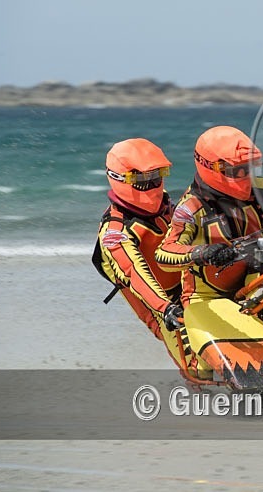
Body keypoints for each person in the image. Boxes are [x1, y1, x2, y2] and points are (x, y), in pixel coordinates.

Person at [155, 126, 263, 379]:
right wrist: (203, 252)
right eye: (236, 171)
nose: (246, 176)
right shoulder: (191, 207)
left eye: (251, 167)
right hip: (208, 297)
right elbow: (164, 253)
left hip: (255, 284)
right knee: (210, 372)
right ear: (210, 167)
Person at [93, 138, 188, 367]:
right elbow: (133, 271)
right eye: (142, 179)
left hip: (193, 286)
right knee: (199, 366)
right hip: (159, 306)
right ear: (118, 179)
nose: (152, 183)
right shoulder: (115, 230)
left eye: (157, 175)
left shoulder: (168, 206)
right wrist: (165, 308)